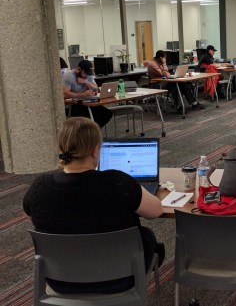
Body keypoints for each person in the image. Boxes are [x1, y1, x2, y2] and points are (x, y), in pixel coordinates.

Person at [23, 117, 164, 294]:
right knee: (147, 235)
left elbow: (31, 210)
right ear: (95, 151)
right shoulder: (117, 182)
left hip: (61, 281)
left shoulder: (40, 186)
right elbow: (156, 211)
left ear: (61, 148)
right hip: (121, 278)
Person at [62, 60, 112, 127]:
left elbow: (96, 88)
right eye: (85, 73)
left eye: (88, 73)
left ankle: (93, 132)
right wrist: (82, 94)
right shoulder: (69, 76)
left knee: (107, 114)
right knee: (89, 119)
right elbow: (65, 94)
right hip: (75, 105)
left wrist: (86, 82)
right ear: (78, 70)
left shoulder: (88, 75)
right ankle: (90, 133)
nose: (86, 75)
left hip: (88, 102)